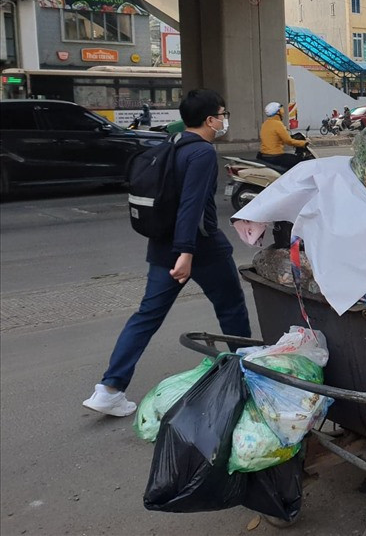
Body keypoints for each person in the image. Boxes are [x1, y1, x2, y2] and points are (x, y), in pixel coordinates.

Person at [82, 90, 251, 417]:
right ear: (209, 120)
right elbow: (191, 206)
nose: (223, 119)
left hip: (161, 247)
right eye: (222, 113)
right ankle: (247, 375)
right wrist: (185, 252)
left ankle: (108, 389)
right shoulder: (201, 153)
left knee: (146, 316)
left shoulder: (170, 144)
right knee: (232, 308)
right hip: (199, 248)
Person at [258, 101, 308, 171]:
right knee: (300, 162)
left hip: (264, 155)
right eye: (281, 110)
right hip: (275, 156)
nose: (283, 112)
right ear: (278, 112)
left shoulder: (265, 124)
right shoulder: (278, 124)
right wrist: (304, 143)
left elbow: (274, 137)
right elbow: (288, 141)